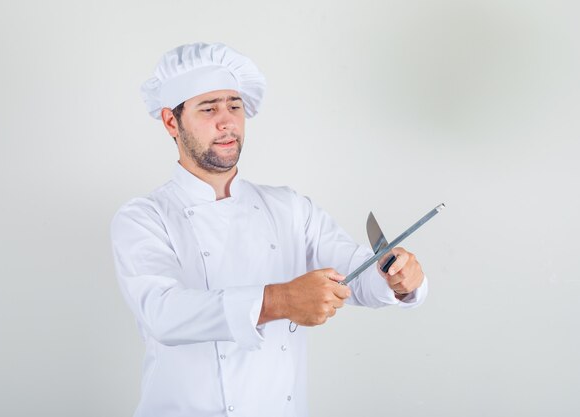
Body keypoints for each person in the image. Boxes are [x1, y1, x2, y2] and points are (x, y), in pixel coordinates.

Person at [111, 42, 428, 417]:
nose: (226, 121)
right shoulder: (143, 217)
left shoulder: (289, 207)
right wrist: (281, 300)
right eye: (208, 108)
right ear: (170, 122)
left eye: (234, 106)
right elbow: (164, 312)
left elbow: (356, 270)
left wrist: (398, 277)